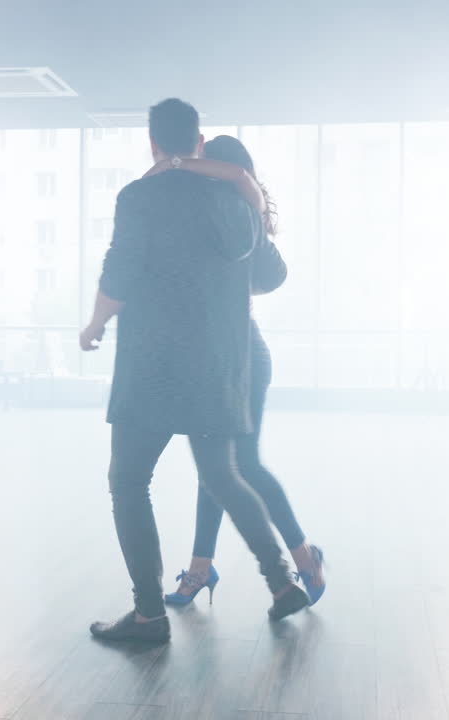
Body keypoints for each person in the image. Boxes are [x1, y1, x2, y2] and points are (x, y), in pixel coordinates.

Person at [81, 99, 310, 644]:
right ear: (199, 141)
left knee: (129, 482)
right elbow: (265, 271)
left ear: (153, 143)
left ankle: (148, 616)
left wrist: (93, 323)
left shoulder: (139, 196)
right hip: (217, 366)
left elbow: (120, 271)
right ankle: (281, 583)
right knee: (224, 475)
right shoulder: (233, 198)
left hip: (154, 367)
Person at [139, 136, 326, 609]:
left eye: (212, 171)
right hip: (215, 359)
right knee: (216, 469)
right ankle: (203, 568)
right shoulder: (210, 221)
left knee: (241, 466)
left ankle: (303, 557)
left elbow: (270, 271)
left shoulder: (242, 223)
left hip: (242, 356)